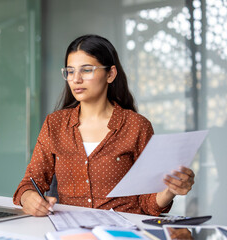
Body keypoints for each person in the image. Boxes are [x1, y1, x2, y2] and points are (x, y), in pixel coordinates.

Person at [13, 34, 195, 217]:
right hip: (72, 231)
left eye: (86, 70)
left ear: (110, 74)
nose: (76, 79)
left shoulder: (136, 126)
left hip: (124, 232)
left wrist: (171, 190)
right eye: (70, 71)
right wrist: (28, 198)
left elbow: (148, 204)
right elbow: (29, 183)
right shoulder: (55, 124)